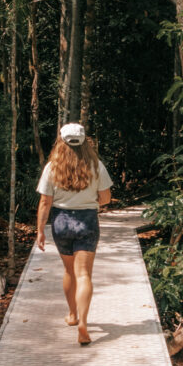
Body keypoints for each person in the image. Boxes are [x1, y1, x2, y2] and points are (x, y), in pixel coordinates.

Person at [35, 122, 112, 345]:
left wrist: (40, 231)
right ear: (84, 141)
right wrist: (89, 201)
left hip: (61, 222)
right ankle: (83, 325)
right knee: (84, 275)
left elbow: (44, 202)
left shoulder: (52, 167)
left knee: (69, 271)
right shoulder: (96, 165)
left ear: (61, 141)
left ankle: (72, 315)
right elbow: (106, 198)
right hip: (87, 220)